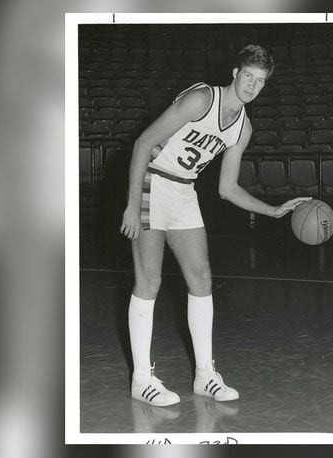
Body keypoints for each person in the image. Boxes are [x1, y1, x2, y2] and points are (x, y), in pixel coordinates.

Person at [120, 44, 311, 407]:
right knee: (149, 280)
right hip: (153, 181)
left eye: (261, 81)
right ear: (236, 73)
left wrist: (272, 211)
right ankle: (141, 379)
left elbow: (227, 189)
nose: (253, 86)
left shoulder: (243, 127)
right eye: (249, 77)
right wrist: (131, 206)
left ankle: (205, 375)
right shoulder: (201, 99)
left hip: (184, 191)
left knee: (202, 278)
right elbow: (144, 144)